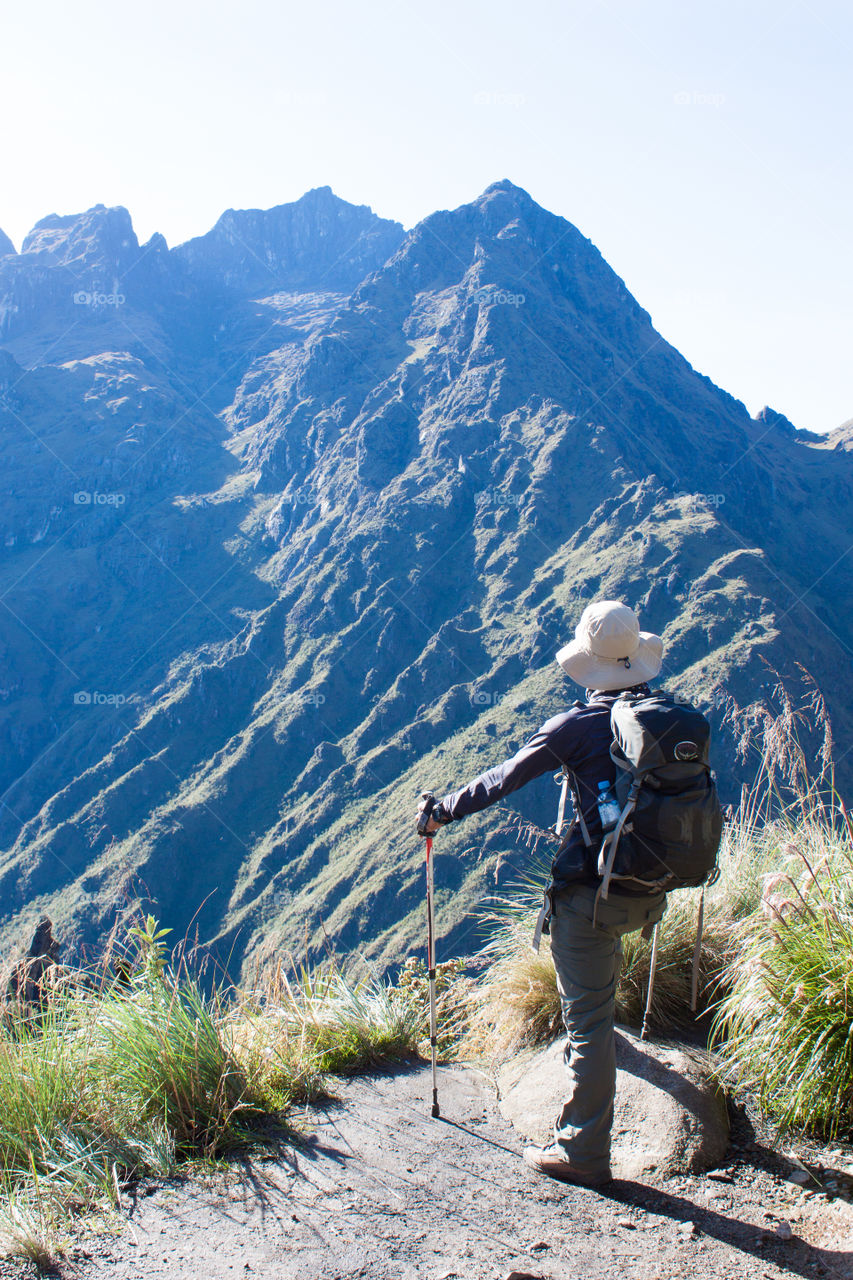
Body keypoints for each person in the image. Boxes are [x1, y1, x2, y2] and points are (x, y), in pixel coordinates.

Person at [417, 599, 668, 1186]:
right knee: (599, 985)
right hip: (651, 887)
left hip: (591, 892)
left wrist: (441, 812)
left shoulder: (574, 727)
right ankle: (612, 1041)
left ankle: (583, 1153)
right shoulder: (665, 715)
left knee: (586, 1021)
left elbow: (504, 778)